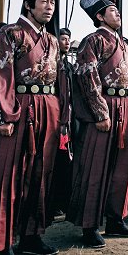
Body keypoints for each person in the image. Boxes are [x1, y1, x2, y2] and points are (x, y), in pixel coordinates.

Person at [0, 0, 65, 255]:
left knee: (40, 174)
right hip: (19, 108)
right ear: (28, 5)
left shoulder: (52, 40)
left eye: (53, 3)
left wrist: (61, 113)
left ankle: (31, 237)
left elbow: (60, 81)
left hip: (47, 107)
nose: (49, 7)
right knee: (10, 174)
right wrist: (3, 117)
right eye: (44, 2)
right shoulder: (11, 33)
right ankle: (2, 241)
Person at [66, 0, 128, 249]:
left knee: (122, 167)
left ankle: (115, 218)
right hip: (106, 108)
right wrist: (100, 112)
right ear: (99, 16)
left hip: (127, 108)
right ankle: (90, 225)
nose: (118, 14)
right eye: (112, 11)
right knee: (95, 168)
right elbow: (86, 77)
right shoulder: (93, 40)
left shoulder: (122, 43)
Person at [49, 27, 74, 219]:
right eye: (62, 38)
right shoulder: (49, 64)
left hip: (69, 121)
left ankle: (63, 202)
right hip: (51, 118)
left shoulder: (70, 66)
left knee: (66, 163)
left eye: (68, 39)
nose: (65, 42)